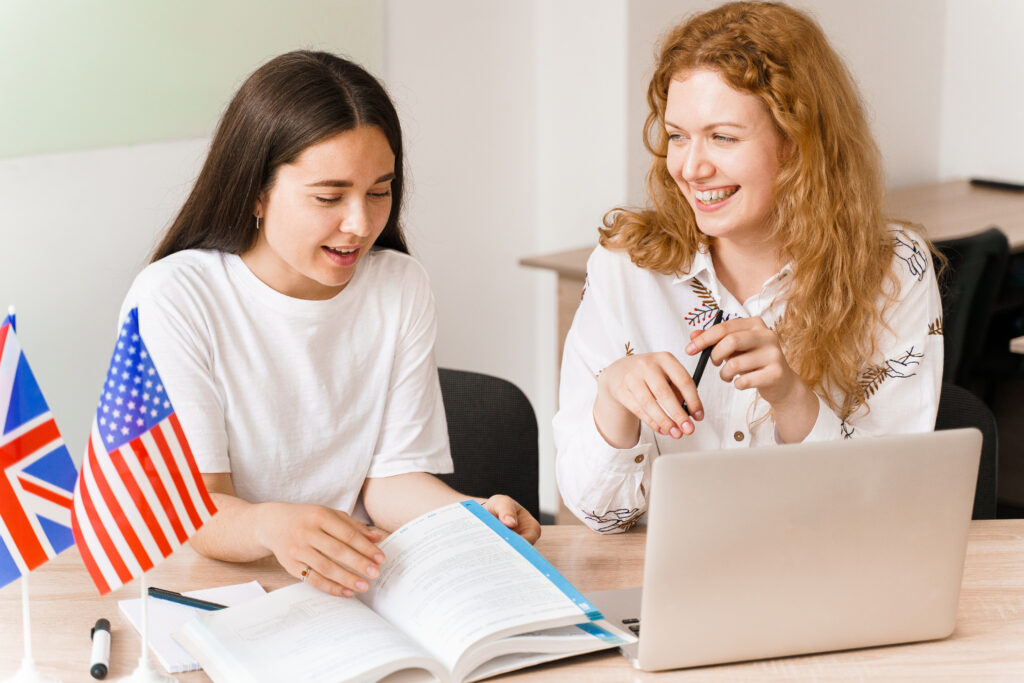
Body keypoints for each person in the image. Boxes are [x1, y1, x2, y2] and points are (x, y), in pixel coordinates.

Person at [119, 50, 540, 595]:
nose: (360, 224)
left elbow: (389, 483)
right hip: (217, 590)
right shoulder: (176, 296)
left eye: (380, 192)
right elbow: (196, 505)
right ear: (256, 193)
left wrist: (475, 516)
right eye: (328, 196)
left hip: (351, 586)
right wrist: (272, 526)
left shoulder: (400, 286)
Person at [554, 1, 943, 533]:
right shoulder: (626, 268)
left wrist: (792, 399)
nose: (691, 168)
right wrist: (612, 398)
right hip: (670, 587)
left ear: (798, 144)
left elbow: (889, 506)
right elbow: (599, 515)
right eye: (677, 136)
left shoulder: (893, 269)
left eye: (724, 137)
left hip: (825, 575)